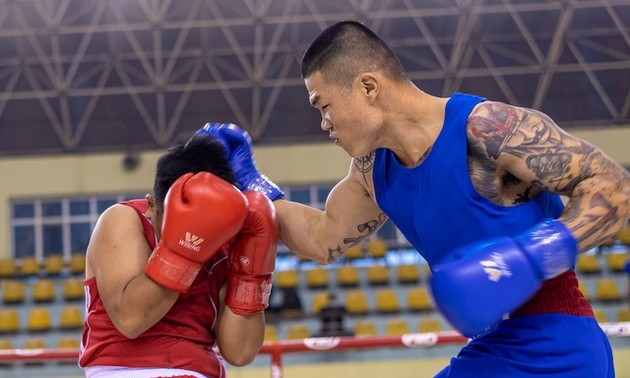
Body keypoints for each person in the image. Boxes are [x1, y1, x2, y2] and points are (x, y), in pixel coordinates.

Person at [201, 20, 630, 377]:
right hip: (490, 349)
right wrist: (252, 182)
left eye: (323, 105)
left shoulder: (485, 130)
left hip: (559, 346)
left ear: (369, 86)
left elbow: (614, 185)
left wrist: (532, 255)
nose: (324, 123)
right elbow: (320, 238)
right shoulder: (373, 170)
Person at [78, 134, 279, 378]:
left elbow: (240, 352)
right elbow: (130, 320)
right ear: (152, 206)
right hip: (125, 370)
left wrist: (253, 269)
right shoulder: (124, 219)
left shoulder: (227, 241)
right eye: (174, 218)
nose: (201, 233)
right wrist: (186, 246)